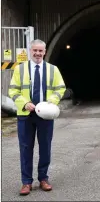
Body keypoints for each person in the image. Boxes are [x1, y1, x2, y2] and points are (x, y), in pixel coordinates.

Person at [9, 39, 66, 195]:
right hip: (25, 115)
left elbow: (60, 88)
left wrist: (50, 103)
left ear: (45, 52)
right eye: (35, 50)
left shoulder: (53, 70)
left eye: (41, 51)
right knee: (26, 148)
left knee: (45, 148)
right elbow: (13, 91)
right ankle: (26, 182)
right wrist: (25, 102)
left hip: (45, 116)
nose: (37, 53)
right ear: (30, 51)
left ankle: (43, 179)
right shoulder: (20, 70)